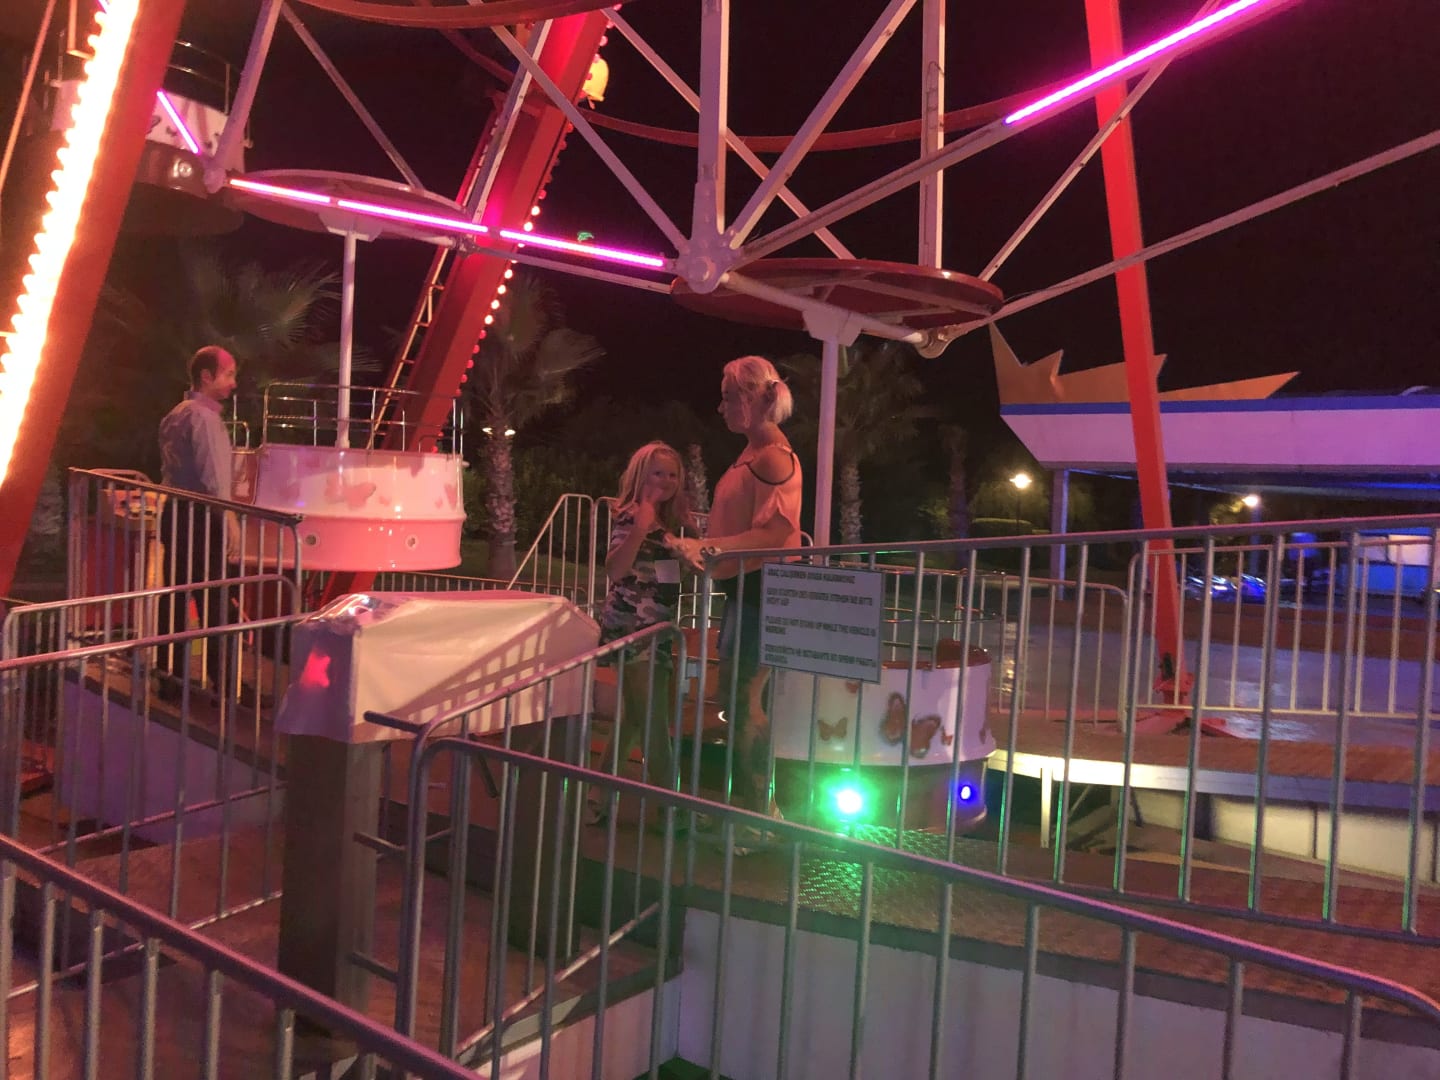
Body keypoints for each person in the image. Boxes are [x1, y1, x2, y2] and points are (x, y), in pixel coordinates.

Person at [670, 355, 803, 820]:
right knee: (737, 698)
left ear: (751, 399)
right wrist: (700, 539)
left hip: (763, 589)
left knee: (743, 700)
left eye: (728, 397)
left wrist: (708, 546)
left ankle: (762, 814)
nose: (721, 406)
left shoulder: (772, 457)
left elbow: (775, 533)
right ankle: (756, 811)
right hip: (748, 589)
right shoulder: (755, 454)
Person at [588, 441, 695, 826]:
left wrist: (685, 555)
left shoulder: (664, 523)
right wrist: (640, 528)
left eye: (672, 474)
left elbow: (661, 580)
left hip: (655, 629)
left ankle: (597, 797)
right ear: (640, 476)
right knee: (652, 721)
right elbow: (616, 570)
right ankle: (673, 808)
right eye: (657, 473)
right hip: (635, 630)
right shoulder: (634, 516)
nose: (665, 480)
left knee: (635, 717)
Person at [155, 345, 238, 701]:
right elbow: (214, 477)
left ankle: (169, 676)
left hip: (176, 511)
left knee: (176, 596)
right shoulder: (204, 418)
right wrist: (230, 519)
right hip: (202, 516)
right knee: (216, 599)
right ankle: (226, 683)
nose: (233, 383)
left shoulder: (175, 414)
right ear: (207, 376)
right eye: (228, 374)